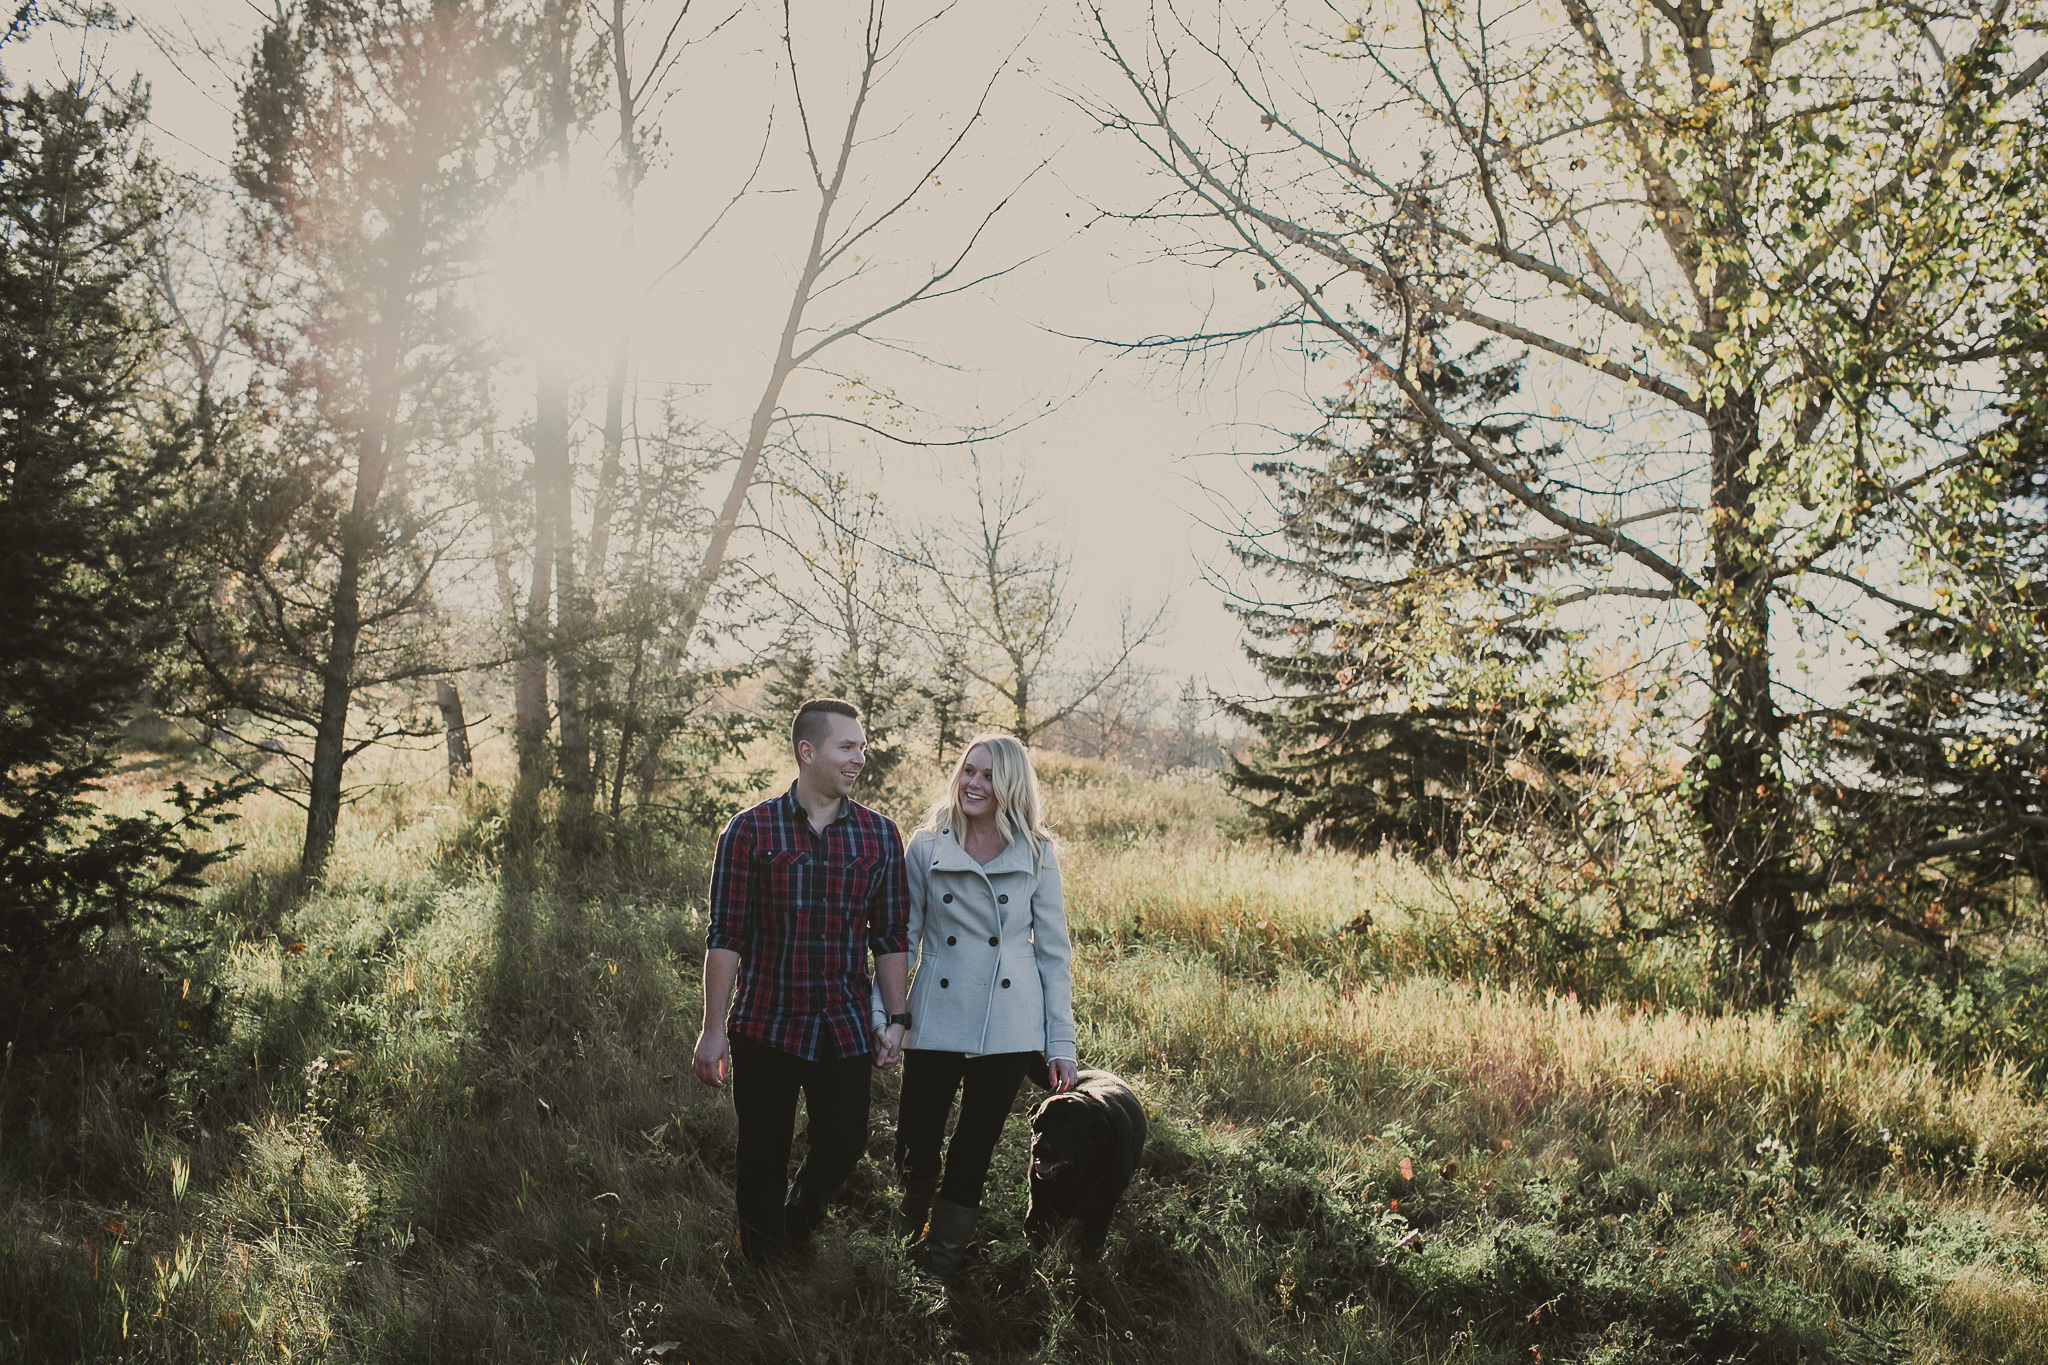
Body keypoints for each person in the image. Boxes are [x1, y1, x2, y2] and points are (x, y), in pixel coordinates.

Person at [693, 698, 913, 1268]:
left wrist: (896, 1018)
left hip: (841, 1022)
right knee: (761, 1151)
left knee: (845, 1143)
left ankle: (801, 1215)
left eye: (862, 747)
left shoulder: (879, 836)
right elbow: (726, 937)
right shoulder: (749, 831)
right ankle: (762, 1265)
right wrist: (712, 1030)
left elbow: (889, 935)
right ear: (806, 751)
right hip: (765, 1020)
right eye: (848, 747)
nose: (859, 758)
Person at [890, 733, 1077, 1281]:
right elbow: (903, 936)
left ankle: (941, 1264)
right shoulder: (927, 845)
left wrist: (1060, 1043)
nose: (974, 783)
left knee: (974, 1147)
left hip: (1011, 1019)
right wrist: (892, 1016)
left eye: (989, 775)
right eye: (969, 770)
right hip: (936, 1011)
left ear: (1011, 785)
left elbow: (1053, 951)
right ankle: (907, 1229)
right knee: (916, 1140)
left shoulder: (1037, 851)